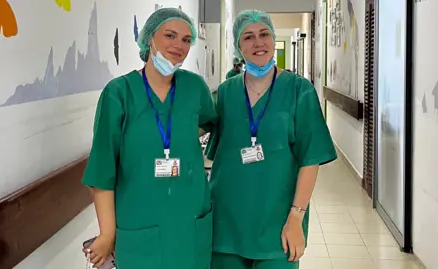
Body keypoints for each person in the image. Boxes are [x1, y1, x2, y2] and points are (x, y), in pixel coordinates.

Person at [81, 7, 217, 269]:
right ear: (149, 38)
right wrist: (107, 233)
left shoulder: (194, 88)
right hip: (138, 223)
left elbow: (209, 122)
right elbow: (102, 169)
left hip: (189, 221)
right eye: (170, 35)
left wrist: (182, 139)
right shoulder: (119, 93)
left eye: (187, 40)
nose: (179, 45)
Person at [206, 10, 337, 269]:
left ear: (273, 38)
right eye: (248, 37)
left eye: (264, 34)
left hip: (278, 222)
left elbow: (310, 160)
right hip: (226, 222)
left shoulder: (300, 90)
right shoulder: (225, 93)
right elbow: (196, 138)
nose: (258, 42)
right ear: (238, 46)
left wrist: (296, 218)